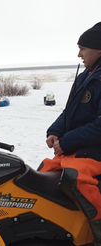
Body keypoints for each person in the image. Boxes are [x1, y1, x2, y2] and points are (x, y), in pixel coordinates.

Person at [37, 22, 101, 245]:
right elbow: (69, 111)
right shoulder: (87, 75)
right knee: (42, 173)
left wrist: (67, 141)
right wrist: (55, 132)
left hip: (95, 151)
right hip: (79, 147)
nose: (79, 54)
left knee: (75, 178)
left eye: (83, 48)